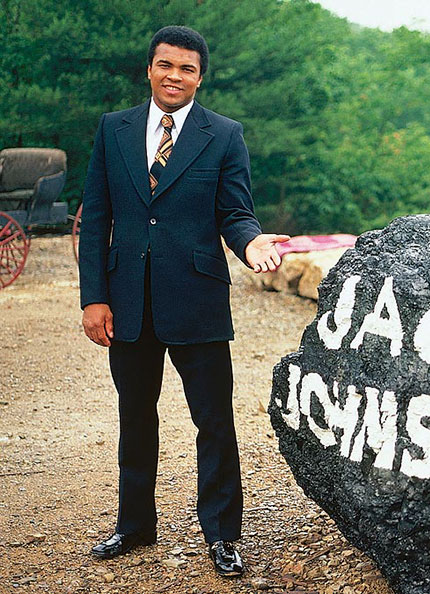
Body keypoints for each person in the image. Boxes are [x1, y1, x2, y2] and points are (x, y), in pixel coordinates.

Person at [78, 25, 289, 577]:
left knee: (214, 421)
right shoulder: (112, 130)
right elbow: (97, 217)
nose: (176, 76)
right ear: (148, 69)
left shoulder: (224, 135)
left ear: (201, 76)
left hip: (197, 300)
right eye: (166, 65)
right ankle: (134, 525)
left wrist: (252, 244)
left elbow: (235, 213)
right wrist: (94, 298)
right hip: (126, 301)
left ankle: (223, 536)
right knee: (134, 415)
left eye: (188, 69)